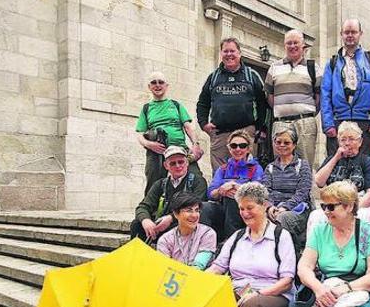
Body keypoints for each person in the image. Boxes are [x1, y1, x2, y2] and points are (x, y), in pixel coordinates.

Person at [196, 37, 269, 172]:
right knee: (220, 173)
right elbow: (202, 103)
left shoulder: (252, 75)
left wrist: (256, 128)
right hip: (219, 135)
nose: (229, 54)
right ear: (221, 54)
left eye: (232, 51)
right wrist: (204, 125)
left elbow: (262, 103)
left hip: (245, 133)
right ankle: (223, 194)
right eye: (225, 51)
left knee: (246, 173)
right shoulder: (213, 77)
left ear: (239, 53)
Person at [321, 19, 370, 158]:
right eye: (347, 32)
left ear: (360, 34)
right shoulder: (331, 63)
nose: (350, 35)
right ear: (341, 34)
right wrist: (328, 124)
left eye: (354, 32)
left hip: (365, 123)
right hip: (338, 121)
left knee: (364, 164)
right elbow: (325, 94)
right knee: (336, 165)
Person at [307, 123, 370, 236]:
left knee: (363, 216)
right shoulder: (331, 160)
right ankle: (314, 252)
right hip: (332, 203)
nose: (347, 143)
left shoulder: (368, 161)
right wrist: (336, 158)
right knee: (315, 216)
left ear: (360, 142)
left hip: (359, 203)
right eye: (343, 140)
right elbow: (319, 181)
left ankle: (360, 250)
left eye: (351, 139)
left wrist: (351, 209)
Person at [134, 71, 204, 195]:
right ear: (149, 87)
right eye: (153, 82)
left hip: (180, 149)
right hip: (156, 152)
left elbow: (188, 127)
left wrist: (195, 144)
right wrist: (150, 145)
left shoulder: (176, 105)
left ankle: (197, 210)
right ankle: (152, 213)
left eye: (161, 82)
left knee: (196, 178)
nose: (157, 85)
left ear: (166, 86)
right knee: (154, 184)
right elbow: (139, 134)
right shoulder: (146, 108)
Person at [266, 29, 321, 167]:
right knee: (281, 165)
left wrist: (306, 112)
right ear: (284, 46)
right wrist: (284, 110)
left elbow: (319, 96)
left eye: (295, 42)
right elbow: (269, 95)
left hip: (305, 122)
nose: (292, 46)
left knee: (305, 165)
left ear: (303, 45)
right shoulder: (274, 67)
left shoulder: (313, 67)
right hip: (280, 123)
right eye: (288, 43)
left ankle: (305, 189)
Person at [131, 146, 208, 243]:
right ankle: (138, 256)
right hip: (161, 224)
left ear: (187, 163)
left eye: (181, 162)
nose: (178, 166)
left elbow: (199, 206)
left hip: (183, 223)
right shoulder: (160, 184)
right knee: (137, 224)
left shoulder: (198, 181)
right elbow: (143, 206)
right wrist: (145, 220)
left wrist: (171, 218)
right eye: (173, 163)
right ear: (166, 166)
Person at [201, 130, 264, 241]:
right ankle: (205, 241)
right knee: (204, 207)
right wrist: (221, 190)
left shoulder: (255, 168)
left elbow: (257, 192)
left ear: (248, 148)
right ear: (229, 149)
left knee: (233, 198)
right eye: (234, 146)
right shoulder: (223, 169)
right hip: (223, 208)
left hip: (246, 210)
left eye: (242, 146)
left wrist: (236, 187)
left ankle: (231, 241)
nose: (238, 149)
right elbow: (210, 193)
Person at [263, 126, 313, 251]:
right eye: (278, 142)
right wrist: (270, 207)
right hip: (274, 208)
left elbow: (303, 192)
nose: (282, 145)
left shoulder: (303, 165)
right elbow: (265, 191)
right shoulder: (270, 167)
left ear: (294, 145)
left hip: (297, 210)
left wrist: (284, 207)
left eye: (286, 142)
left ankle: (284, 254)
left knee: (283, 218)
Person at [156, 192, 217, 270]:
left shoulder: (207, 233)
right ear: (176, 214)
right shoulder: (165, 240)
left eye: (197, 210)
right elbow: (163, 268)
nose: (194, 215)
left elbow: (199, 266)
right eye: (189, 211)